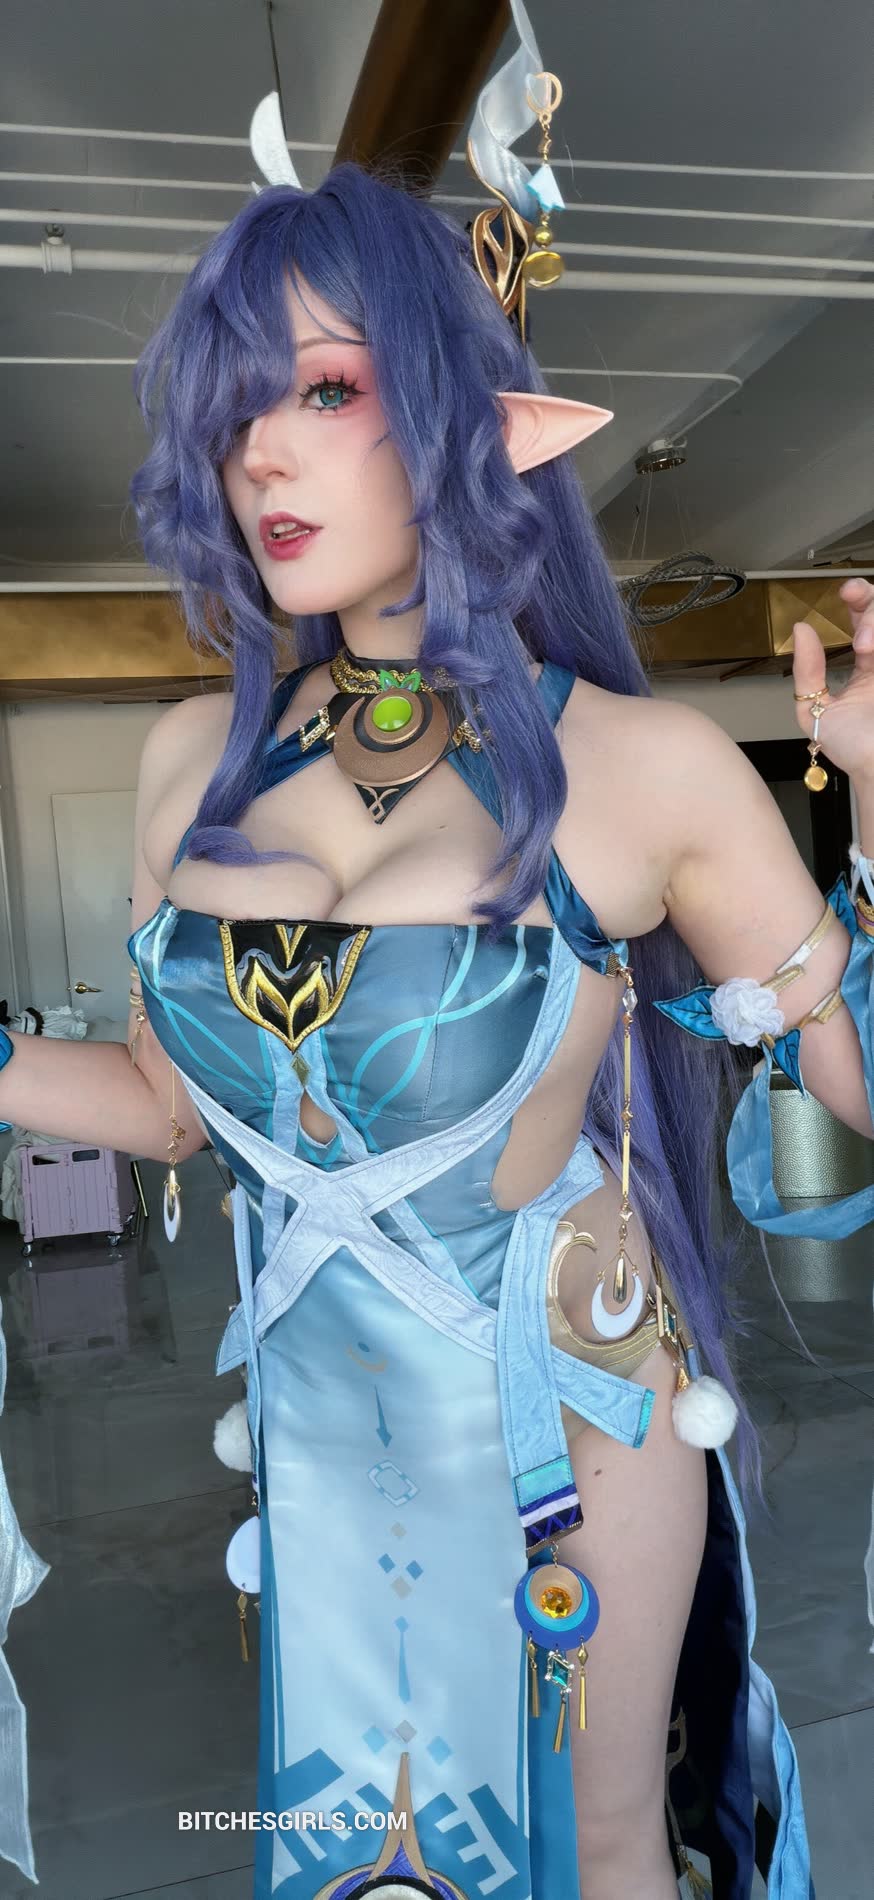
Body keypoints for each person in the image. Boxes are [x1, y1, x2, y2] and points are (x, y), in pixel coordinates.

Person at [3, 17, 874, 1899]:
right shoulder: (189, 759)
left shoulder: (642, 767)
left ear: (476, 418)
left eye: (323, 389)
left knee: (590, 1843)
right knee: (350, 1849)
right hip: (317, 1445)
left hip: (562, 1425)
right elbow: (168, 1106)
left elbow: (855, 1087)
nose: (259, 451)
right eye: (232, 409)